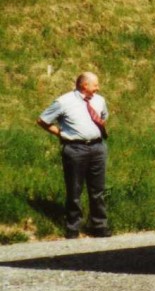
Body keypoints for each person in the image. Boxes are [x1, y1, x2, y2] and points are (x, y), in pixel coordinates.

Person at [37, 72, 111, 239]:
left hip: (97, 147)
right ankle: (73, 227)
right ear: (84, 85)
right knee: (74, 189)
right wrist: (61, 134)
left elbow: (103, 118)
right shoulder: (64, 102)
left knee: (97, 190)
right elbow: (42, 120)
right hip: (75, 149)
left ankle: (99, 226)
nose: (98, 88)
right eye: (95, 85)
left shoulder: (99, 100)